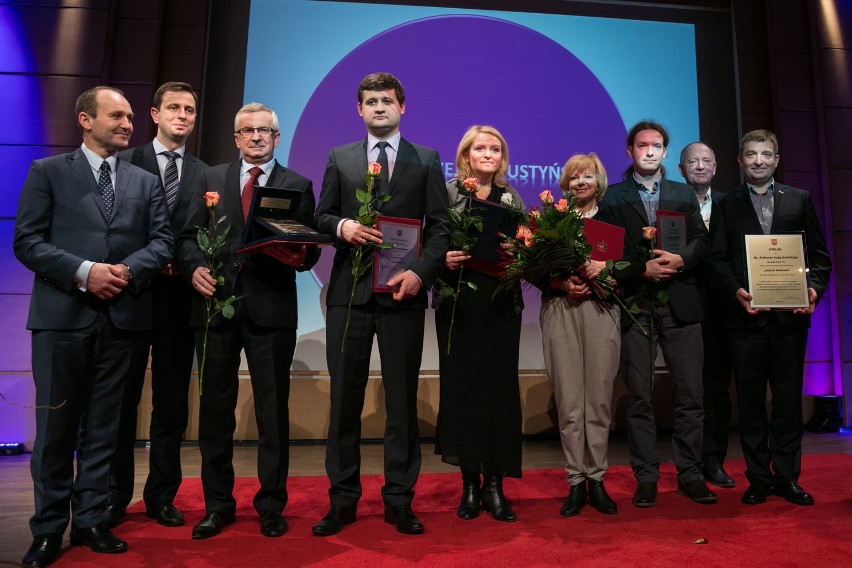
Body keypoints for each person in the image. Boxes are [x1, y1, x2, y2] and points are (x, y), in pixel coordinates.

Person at [13, 86, 173, 567]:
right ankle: (47, 530)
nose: (128, 124)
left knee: (105, 430)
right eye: (117, 116)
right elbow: (28, 241)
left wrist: (124, 271)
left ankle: (90, 521)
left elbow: (163, 242)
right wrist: (85, 271)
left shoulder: (145, 182)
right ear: (85, 119)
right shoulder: (48, 172)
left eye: (129, 117)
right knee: (56, 430)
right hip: (62, 320)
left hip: (122, 322)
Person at [313, 72, 449, 536]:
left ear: (402, 107)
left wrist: (420, 272)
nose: (378, 108)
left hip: (402, 294)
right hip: (349, 296)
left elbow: (441, 228)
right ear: (359, 110)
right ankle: (342, 500)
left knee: (401, 403)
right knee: (343, 403)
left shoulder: (426, 159)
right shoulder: (340, 157)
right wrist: (341, 228)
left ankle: (399, 499)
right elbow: (322, 215)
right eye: (369, 101)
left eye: (387, 101)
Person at [176, 102, 320, 539]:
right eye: (248, 131)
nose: (257, 137)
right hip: (214, 309)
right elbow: (185, 236)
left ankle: (271, 505)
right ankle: (217, 506)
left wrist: (302, 254)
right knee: (215, 412)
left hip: (271, 312)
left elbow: (308, 245)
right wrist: (192, 267)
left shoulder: (297, 183)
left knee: (271, 412)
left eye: (265, 131)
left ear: (277, 138)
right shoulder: (208, 178)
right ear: (236, 139)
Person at [105, 81, 208, 529]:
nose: (182, 116)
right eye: (174, 108)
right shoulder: (125, 162)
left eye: (189, 109)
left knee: (171, 405)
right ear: (154, 113)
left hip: (180, 303)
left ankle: (161, 495)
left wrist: (188, 264)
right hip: (129, 297)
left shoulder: (208, 174)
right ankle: (113, 496)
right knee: (121, 401)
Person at [598, 120, 716, 508]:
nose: (649, 151)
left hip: (681, 303)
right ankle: (645, 477)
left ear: (666, 152)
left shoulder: (683, 194)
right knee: (639, 398)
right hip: (635, 306)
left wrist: (681, 258)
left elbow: (703, 243)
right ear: (630, 151)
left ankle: (690, 474)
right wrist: (640, 269)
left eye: (656, 145)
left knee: (691, 395)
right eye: (642, 145)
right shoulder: (612, 197)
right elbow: (607, 255)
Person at [711, 129, 831, 506]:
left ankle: (788, 477)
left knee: (786, 402)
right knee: (750, 403)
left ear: (777, 160)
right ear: (740, 161)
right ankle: (758, 477)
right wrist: (736, 291)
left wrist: (812, 289)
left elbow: (821, 258)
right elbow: (716, 260)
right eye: (751, 154)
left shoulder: (800, 199)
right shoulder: (726, 204)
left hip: (789, 320)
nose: (758, 160)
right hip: (745, 319)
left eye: (766, 154)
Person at [434, 125, 524, 522]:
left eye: (494, 148)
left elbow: (526, 249)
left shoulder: (512, 197)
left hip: (501, 304)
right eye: (480, 148)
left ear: (501, 157)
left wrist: (520, 254)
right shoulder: (448, 193)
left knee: (498, 392)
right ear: (466, 154)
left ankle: (495, 485)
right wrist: (443, 258)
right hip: (459, 303)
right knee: (464, 391)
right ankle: (470, 484)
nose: (487, 154)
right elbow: (428, 242)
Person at [542, 153, 620, 517]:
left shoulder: (614, 217)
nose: (580, 182)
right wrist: (561, 282)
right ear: (565, 183)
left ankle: (597, 478)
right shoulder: (551, 220)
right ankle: (575, 480)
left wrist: (609, 267)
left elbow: (632, 261)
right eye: (574, 177)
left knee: (599, 399)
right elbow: (533, 269)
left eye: (587, 176)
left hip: (602, 309)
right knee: (570, 400)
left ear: (598, 181)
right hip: (561, 308)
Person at [677, 142, 736, 489]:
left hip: (722, 307)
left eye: (706, 161)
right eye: (692, 162)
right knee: (688, 388)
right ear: (682, 170)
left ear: (715, 167)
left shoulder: (731, 203)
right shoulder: (670, 202)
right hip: (683, 302)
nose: (699, 166)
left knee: (717, 388)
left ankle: (713, 460)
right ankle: (688, 462)